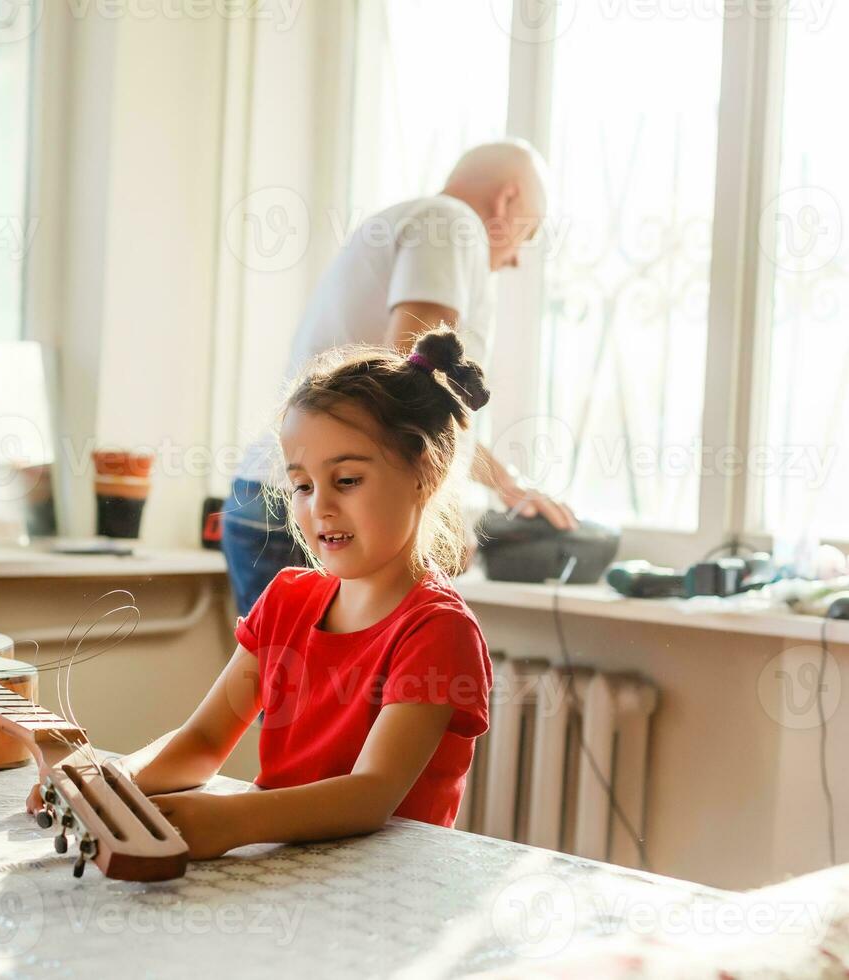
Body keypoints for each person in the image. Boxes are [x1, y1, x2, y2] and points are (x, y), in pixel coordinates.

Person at [115, 330, 494, 858]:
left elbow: (371, 794)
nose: (320, 508)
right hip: (284, 871)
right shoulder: (286, 599)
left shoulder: (438, 630)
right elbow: (202, 743)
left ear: (423, 475)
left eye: (347, 480)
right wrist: (111, 782)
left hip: (387, 892)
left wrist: (231, 819)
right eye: (303, 485)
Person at [222, 139, 579, 616]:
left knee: (293, 689)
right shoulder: (453, 224)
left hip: (292, 497)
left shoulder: (415, 222)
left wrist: (506, 486)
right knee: (322, 691)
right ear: (506, 199)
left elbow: (418, 382)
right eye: (528, 233)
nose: (516, 258)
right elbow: (402, 393)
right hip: (314, 508)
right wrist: (445, 519)